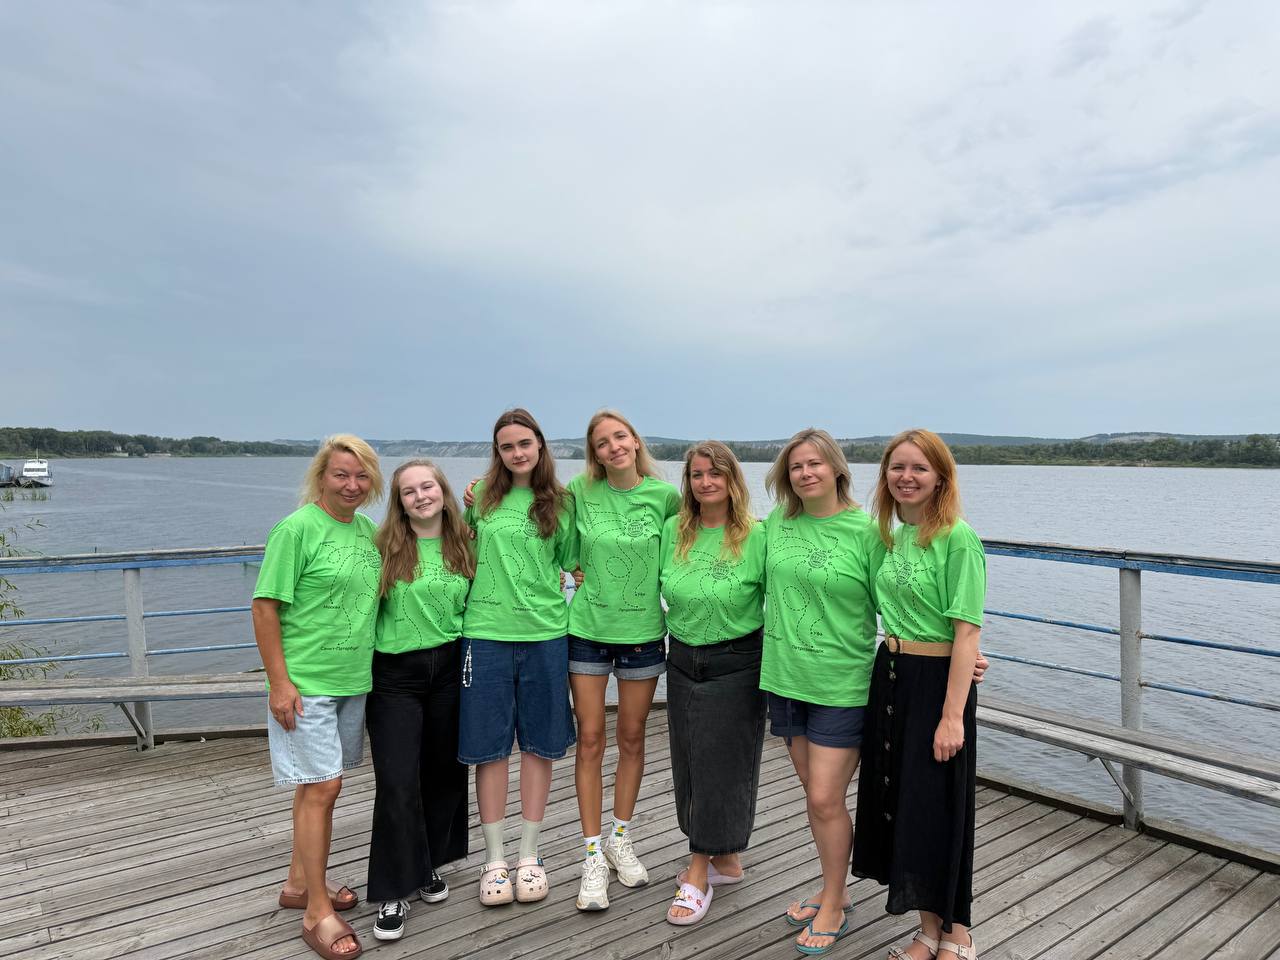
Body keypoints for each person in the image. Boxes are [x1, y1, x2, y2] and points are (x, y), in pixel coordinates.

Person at [852, 430, 985, 960]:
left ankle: (958, 935)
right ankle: (929, 930)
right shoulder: (889, 536)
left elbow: (966, 630)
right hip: (891, 673)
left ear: (941, 477)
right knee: (905, 803)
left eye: (919, 468)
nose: (906, 477)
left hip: (936, 684)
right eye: (897, 467)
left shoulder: (957, 538)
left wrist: (952, 716)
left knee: (939, 807)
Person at [252, 434, 384, 960]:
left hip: (352, 679)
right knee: (324, 787)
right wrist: (279, 683)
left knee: (315, 786)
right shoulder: (297, 529)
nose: (351, 485)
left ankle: (298, 883)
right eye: (340, 474)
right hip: (307, 683)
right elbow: (265, 607)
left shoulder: (368, 531)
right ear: (321, 477)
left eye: (361, 475)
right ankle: (316, 912)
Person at [760, 428, 883, 956]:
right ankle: (833, 887)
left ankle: (834, 901)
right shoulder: (776, 525)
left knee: (825, 798)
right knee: (816, 797)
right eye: (795, 466)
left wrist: (961, 650)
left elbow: (899, 601)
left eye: (814, 463)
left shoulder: (868, 532)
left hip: (842, 683)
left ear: (836, 469)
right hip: (786, 679)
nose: (805, 473)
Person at [565, 409, 681, 911]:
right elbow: (552, 534)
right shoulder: (579, 491)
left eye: (620, 437)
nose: (612, 447)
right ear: (594, 453)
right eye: (602, 442)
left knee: (632, 737)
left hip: (642, 637)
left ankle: (620, 837)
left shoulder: (665, 497)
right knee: (590, 738)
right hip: (587, 633)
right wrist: (477, 493)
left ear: (635, 442)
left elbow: (690, 544)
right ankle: (592, 855)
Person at [461, 408, 576, 907]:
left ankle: (529, 854)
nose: (517, 453)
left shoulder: (561, 503)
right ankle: (494, 859)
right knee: (489, 749)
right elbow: (458, 552)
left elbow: (575, 565)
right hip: (484, 634)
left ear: (540, 445)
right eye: (507, 446)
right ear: (498, 452)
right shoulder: (481, 498)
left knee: (538, 745)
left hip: (545, 634)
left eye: (524, 443)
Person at [659, 441, 767, 926]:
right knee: (689, 762)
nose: (706, 482)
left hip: (736, 662)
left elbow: (795, 595)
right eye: (697, 474)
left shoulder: (756, 536)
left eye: (715, 474)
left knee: (720, 766)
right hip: (682, 658)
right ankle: (726, 859)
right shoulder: (674, 530)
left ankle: (699, 872)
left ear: (732, 480)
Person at [366, 460, 473, 941]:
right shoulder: (383, 546)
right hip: (395, 676)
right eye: (409, 491)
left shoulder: (464, 542)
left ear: (443, 491)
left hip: (450, 668)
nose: (420, 496)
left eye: (427, 486)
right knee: (397, 781)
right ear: (400, 502)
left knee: (444, 772)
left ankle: (426, 861)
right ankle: (393, 889)